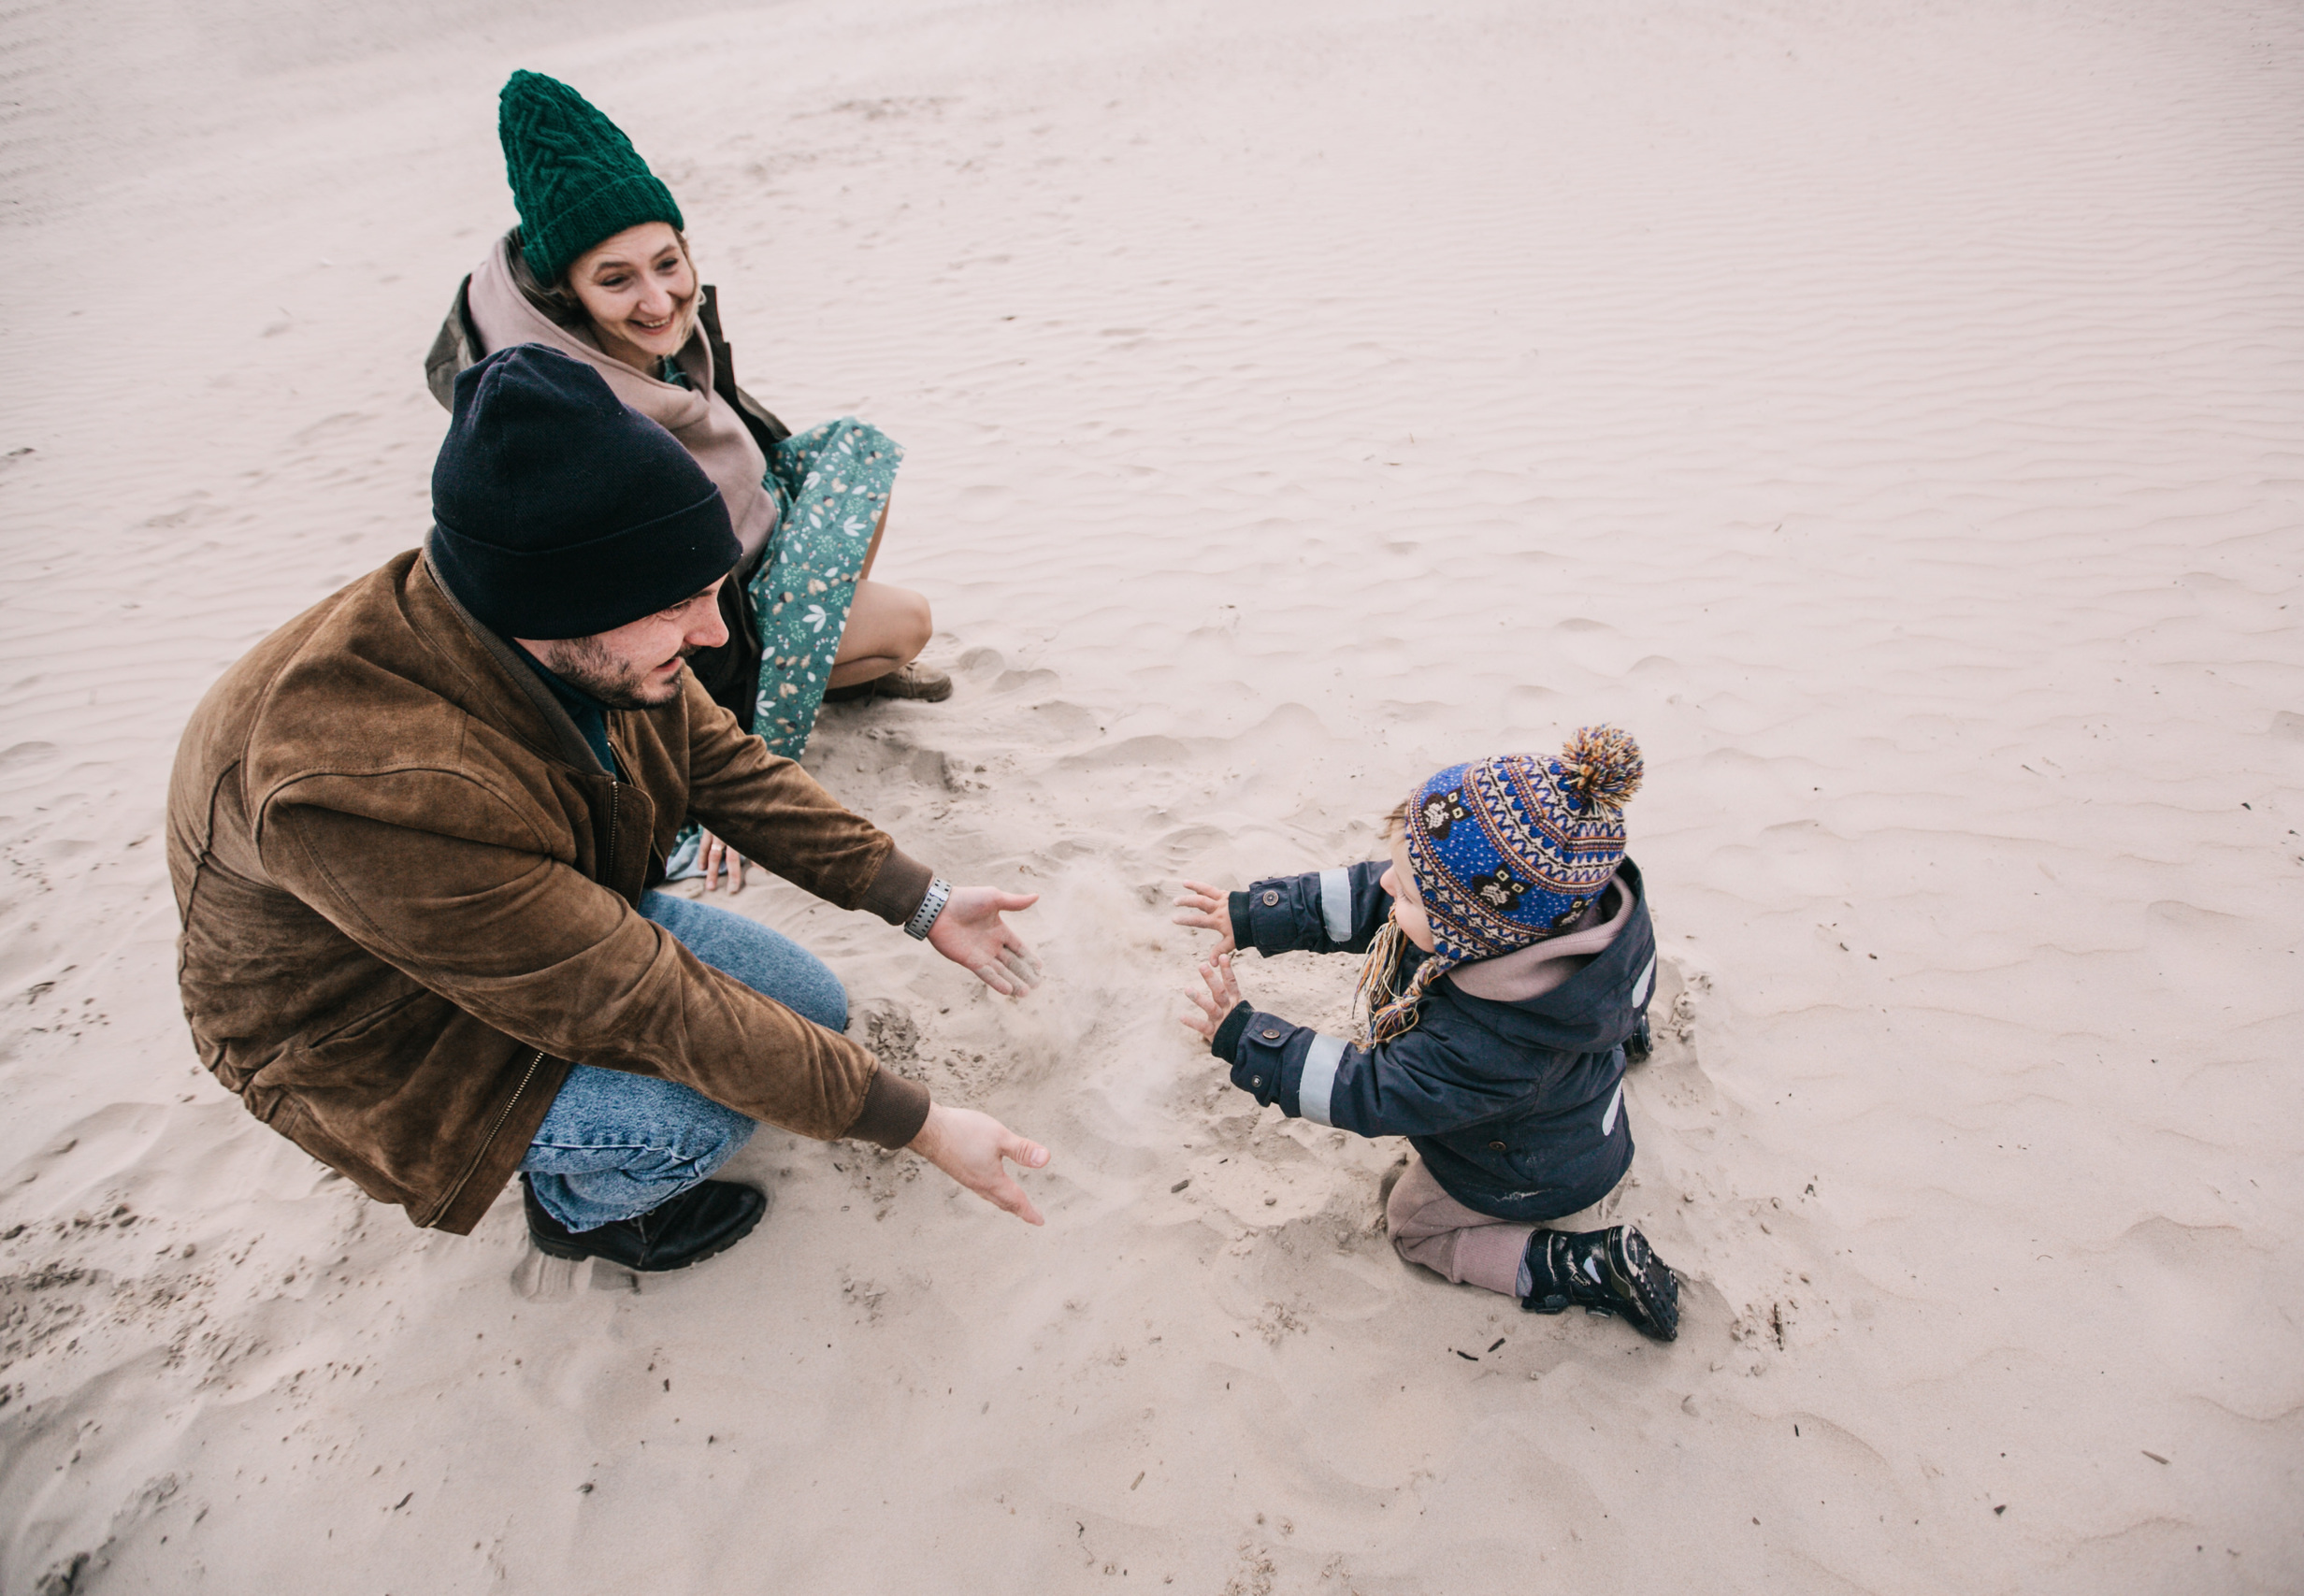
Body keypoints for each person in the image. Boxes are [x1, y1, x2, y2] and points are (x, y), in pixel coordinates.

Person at [168, 344, 1048, 1272]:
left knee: (814, 1008)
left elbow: (727, 768)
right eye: (679, 606)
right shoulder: (365, 789)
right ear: (552, 605)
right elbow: (649, 1003)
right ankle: (576, 1211)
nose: (713, 633)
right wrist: (921, 1126)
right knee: (698, 1116)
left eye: (710, 592)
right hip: (375, 1032)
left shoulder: (584, 628)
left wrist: (923, 901)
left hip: (536, 916)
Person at [425, 69, 948, 894]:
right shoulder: (564, 413)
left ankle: (820, 656)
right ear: (567, 292)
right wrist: (726, 785)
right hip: (704, 630)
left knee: (858, 450)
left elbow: (744, 433)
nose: (658, 297)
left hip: (747, 558)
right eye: (616, 279)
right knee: (906, 622)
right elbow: (597, 630)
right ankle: (778, 707)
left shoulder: (663, 342)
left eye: (668, 262)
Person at [1173, 727, 1681, 1338]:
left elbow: (1372, 1090)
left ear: (1472, 934)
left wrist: (1249, 1041)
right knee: (1435, 932)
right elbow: (1372, 895)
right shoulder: (1562, 910)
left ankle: (1580, 1265)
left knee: (1413, 1227)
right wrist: (1259, 914)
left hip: (1535, 1171)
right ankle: (1615, 1032)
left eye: (1410, 890)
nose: (1389, 884)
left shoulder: (1487, 1046)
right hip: (1568, 1077)